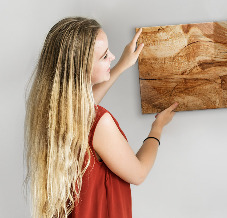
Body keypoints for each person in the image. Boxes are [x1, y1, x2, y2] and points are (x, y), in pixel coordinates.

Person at [24, 17, 178, 218]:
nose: (113, 56)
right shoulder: (99, 122)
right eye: (105, 56)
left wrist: (122, 65)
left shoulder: (53, 112)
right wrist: (157, 128)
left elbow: (86, 109)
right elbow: (138, 173)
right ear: (82, 69)